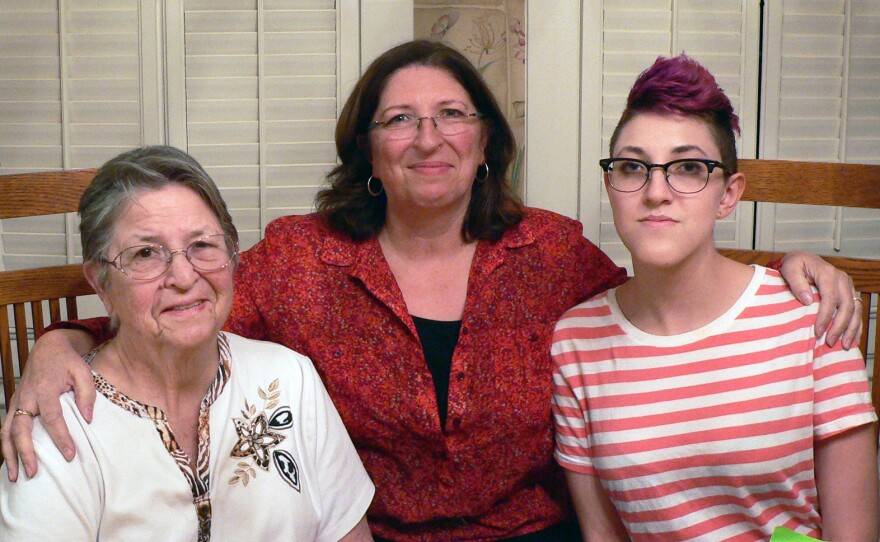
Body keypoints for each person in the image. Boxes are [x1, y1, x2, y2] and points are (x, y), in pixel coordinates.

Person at [0, 41, 863, 541]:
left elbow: (670, 292)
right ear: (367, 149)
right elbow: (174, 308)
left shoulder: (552, 252)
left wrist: (788, 264)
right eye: (399, 118)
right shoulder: (302, 259)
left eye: (453, 114)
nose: (428, 137)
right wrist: (58, 343)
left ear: (486, 140)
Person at [551, 54, 878, 541]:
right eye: (633, 166)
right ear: (611, 185)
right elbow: (603, 535)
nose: (656, 191)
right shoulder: (574, 342)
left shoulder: (814, 315)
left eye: (687, 168)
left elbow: (853, 533)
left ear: (728, 194)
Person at [0, 146, 375, 540]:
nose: (183, 275)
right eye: (145, 253)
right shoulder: (60, 428)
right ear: (100, 281)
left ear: (231, 255)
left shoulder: (291, 380)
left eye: (202, 245)